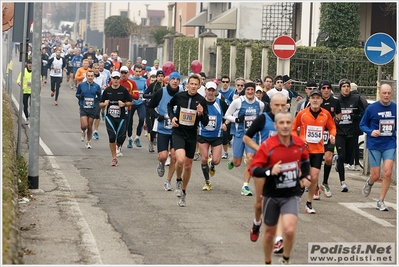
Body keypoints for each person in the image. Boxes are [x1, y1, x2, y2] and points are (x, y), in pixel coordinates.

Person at [249, 111, 311, 265]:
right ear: (276, 126)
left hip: (291, 194)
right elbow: (254, 169)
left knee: (289, 230)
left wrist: (305, 177)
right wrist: (270, 171)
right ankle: (267, 261)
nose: (285, 126)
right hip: (271, 195)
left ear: (292, 125)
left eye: (288, 123)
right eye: (281, 123)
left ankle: (286, 259)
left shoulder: (298, 143)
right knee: (269, 235)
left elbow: (305, 161)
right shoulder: (267, 146)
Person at [243, 93, 288, 250]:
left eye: (283, 105)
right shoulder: (263, 119)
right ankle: (257, 223)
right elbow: (247, 138)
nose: (280, 108)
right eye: (277, 105)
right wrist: (261, 149)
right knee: (260, 203)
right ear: (271, 105)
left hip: (282, 166)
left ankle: (279, 239)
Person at [167, 73, 209, 207]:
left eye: (196, 84)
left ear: (199, 86)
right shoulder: (179, 96)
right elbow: (169, 105)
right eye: (191, 84)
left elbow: (206, 122)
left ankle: (183, 191)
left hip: (191, 134)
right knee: (179, 160)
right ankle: (178, 180)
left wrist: (201, 113)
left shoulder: (202, 100)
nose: (193, 86)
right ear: (187, 85)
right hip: (178, 131)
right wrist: (172, 117)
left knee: (188, 165)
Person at [292, 89, 336, 214]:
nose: (315, 100)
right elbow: (293, 129)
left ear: (321, 100)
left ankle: (309, 203)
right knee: (302, 176)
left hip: (318, 150)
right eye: (313, 98)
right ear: (309, 100)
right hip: (303, 151)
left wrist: (332, 136)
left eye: (318, 98)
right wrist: (300, 140)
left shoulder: (326, 114)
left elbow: (332, 127)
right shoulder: (302, 114)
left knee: (314, 177)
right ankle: (297, 196)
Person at [224, 81, 265, 196]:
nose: (250, 92)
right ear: (245, 91)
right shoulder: (238, 102)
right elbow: (227, 115)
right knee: (237, 163)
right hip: (240, 134)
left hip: (252, 136)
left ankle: (245, 186)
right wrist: (236, 120)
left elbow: (260, 117)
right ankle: (233, 160)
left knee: (251, 158)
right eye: (248, 90)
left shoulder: (260, 104)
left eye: (252, 90)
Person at [360, 84, 396, 211]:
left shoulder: (395, 108)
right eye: (384, 93)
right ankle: (370, 182)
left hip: (389, 144)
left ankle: (381, 201)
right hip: (374, 145)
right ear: (380, 93)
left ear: (391, 94)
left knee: (387, 172)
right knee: (375, 175)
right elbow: (362, 125)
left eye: (388, 93)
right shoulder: (372, 108)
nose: (386, 95)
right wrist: (371, 132)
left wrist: (395, 133)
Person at [148, 71, 182, 191]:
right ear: (168, 80)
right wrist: (158, 116)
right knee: (163, 156)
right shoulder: (161, 92)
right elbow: (150, 107)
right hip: (163, 128)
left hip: (176, 131)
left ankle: (168, 181)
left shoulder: (182, 93)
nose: (175, 81)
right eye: (173, 79)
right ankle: (161, 164)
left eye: (177, 79)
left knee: (174, 156)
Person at [335, 79, 366, 192]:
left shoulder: (356, 99)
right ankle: (343, 182)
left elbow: (363, 113)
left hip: (352, 132)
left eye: (348, 86)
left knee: (347, 159)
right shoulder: (336, 100)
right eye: (344, 86)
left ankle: (338, 161)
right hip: (339, 132)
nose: (346, 88)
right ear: (340, 88)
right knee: (342, 155)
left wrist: (354, 116)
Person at [198, 81, 229, 190]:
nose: (210, 93)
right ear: (205, 90)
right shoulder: (200, 103)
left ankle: (212, 165)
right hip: (203, 134)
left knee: (216, 161)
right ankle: (207, 182)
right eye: (208, 90)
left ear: (216, 91)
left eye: (213, 90)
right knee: (203, 159)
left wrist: (225, 124)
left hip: (217, 135)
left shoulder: (221, 103)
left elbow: (230, 115)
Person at [99, 71, 133, 166]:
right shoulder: (107, 91)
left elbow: (131, 102)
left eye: (118, 78)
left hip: (121, 117)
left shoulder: (123, 90)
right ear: (111, 79)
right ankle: (114, 158)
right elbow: (100, 104)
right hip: (110, 117)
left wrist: (124, 104)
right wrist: (104, 104)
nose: (116, 80)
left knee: (121, 137)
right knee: (112, 137)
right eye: (114, 78)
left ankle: (118, 145)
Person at [115, 66, 139, 154]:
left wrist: (127, 93)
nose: (123, 75)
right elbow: (108, 91)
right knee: (116, 128)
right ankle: (115, 143)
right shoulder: (115, 81)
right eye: (122, 72)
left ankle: (119, 145)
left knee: (123, 129)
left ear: (128, 73)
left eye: (125, 73)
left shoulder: (131, 83)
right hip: (115, 108)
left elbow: (136, 97)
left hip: (127, 108)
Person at [76, 70, 102, 149]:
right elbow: (77, 94)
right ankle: (83, 131)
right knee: (84, 125)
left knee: (90, 126)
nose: (90, 77)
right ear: (86, 77)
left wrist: (98, 97)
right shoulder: (82, 85)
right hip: (83, 107)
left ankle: (88, 141)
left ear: (93, 77)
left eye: (91, 76)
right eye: (89, 76)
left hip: (92, 108)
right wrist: (80, 96)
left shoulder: (97, 86)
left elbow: (100, 97)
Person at [347, 82, 369, 171]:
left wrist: (353, 116)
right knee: (355, 144)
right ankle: (355, 163)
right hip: (361, 125)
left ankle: (352, 163)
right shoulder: (363, 99)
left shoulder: (353, 99)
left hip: (352, 125)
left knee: (353, 145)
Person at [143, 70, 165, 152]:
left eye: (161, 76)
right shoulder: (152, 85)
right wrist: (153, 96)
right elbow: (145, 94)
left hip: (162, 109)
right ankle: (151, 141)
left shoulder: (165, 86)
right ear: (156, 77)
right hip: (152, 108)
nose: (160, 78)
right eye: (158, 76)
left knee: (160, 127)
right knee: (151, 128)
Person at [127, 64, 147, 148]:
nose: (138, 73)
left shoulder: (144, 80)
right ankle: (130, 139)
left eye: (140, 71)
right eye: (137, 71)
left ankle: (137, 137)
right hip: (131, 103)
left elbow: (146, 90)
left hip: (140, 103)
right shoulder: (130, 80)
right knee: (129, 121)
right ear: (133, 71)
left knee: (142, 119)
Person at [218, 75, 235, 159]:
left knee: (228, 135)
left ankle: (229, 141)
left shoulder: (232, 92)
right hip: (221, 116)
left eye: (227, 82)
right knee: (223, 134)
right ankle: (225, 152)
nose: (225, 83)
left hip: (230, 116)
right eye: (223, 82)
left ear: (229, 83)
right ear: (221, 83)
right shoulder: (218, 92)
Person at [17, 60, 33, 124]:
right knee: (25, 106)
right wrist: (20, 83)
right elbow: (18, 80)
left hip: (32, 91)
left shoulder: (35, 71)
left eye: (31, 63)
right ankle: (27, 117)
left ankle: (30, 115)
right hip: (25, 91)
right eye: (29, 63)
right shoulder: (24, 71)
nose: (30, 65)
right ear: (27, 64)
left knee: (32, 105)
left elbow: (39, 79)